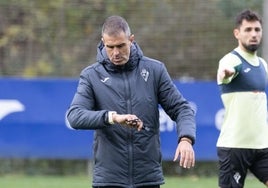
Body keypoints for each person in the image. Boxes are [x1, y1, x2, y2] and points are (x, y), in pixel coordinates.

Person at [66, 15, 196, 188]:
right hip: (109, 179)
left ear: (131, 40)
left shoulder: (154, 70)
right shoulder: (91, 75)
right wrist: (113, 118)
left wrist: (185, 139)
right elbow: (74, 116)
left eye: (121, 45)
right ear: (103, 42)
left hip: (148, 178)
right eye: (110, 47)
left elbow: (181, 108)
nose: (116, 53)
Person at [216, 9, 268, 188]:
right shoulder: (230, 61)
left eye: (257, 29)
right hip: (234, 147)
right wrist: (227, 74)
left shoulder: (263, 65)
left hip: (262, 146)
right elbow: (226, 74)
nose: (253, 34)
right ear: (237, 33)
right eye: (248, 30)